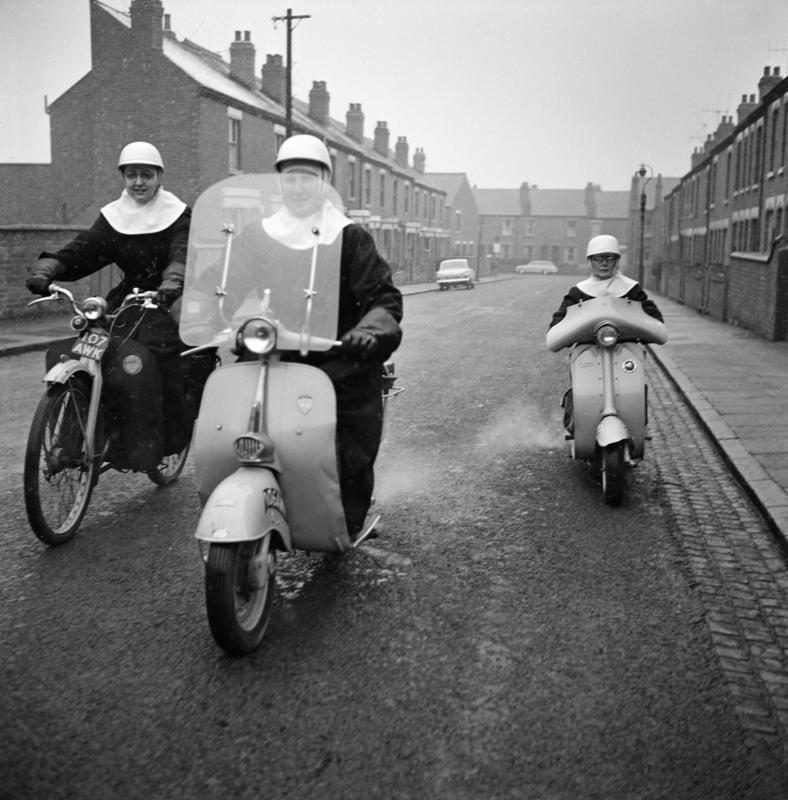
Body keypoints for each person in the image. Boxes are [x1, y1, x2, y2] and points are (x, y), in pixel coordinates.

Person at [200, 134, 403, 539]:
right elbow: (218, 283)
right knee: (232, 422)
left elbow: (383, 298)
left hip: (339, 354)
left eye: (308, 178)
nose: (298, 187)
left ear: (324, 182)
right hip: (274, 350)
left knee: (343, 438)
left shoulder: (349, 237)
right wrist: (199, 309)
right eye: (291, 178)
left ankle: (345, 515)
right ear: (280, 183)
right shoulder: (260, 235)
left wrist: (368, 331)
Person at [25, 141, 203, 457]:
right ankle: (75, 437)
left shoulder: (177, 214)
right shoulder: (113, 216)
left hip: (167, 298)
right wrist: (47, 269)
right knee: (91, 349)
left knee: (155, 356)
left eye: (146, 175)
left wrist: (171, 282)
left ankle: (161, 436)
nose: (138, 182)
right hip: (127, 297)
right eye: (132, 174)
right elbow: (84, 250)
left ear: (159, 177)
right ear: (123, 177)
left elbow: (181, 254)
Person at [548, 234, 663, 436]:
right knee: (583, 387)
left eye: (609, 258)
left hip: (624, 350)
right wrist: (569, 331)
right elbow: (558, 322)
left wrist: (643, 329)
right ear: (590, 262)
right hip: (589, 350)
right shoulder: (578, 292)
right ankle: (576, 422)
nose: (604, 263)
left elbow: (653, 318)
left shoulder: (632, 289)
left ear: (617, 261)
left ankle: (637, 422)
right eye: (598, 259)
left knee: (633, 386)